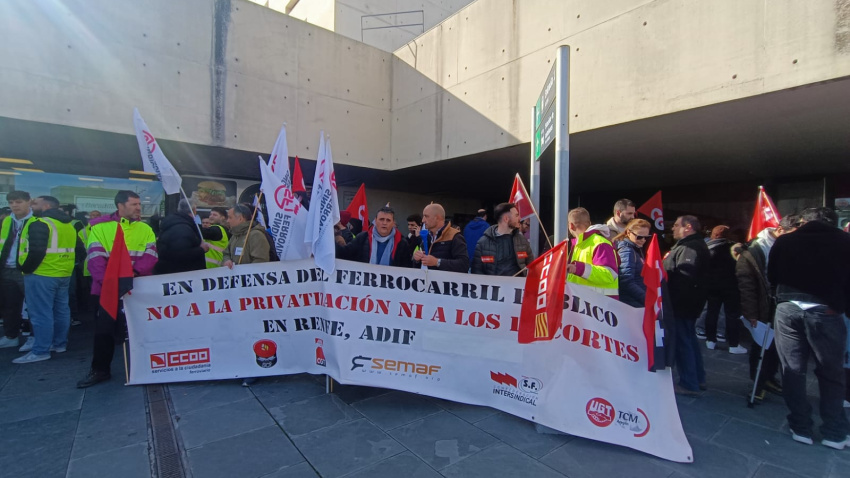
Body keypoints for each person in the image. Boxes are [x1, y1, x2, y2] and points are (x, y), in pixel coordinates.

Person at [768, 207, 850, 449]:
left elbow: (772, 275)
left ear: (804, 221)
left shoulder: (785, 241)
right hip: (827, 310)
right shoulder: (845, 242)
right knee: (831, 372)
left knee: (792, 369)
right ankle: (834, 432)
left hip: (788, 308)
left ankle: (800, 427)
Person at [77, 191, 157, 388]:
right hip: (107, 290)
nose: (139, 208)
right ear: (120, 205)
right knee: (104, 332)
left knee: (142, 330)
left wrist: (133, 274)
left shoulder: (145, 228)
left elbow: (151, 255)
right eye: (134, 204)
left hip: (137, 288)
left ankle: (149, 367)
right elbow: (95, 259)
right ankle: (100, 370)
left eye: (139, 204)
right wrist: (111, 283)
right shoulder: (100, 228)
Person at [734, 214, 799, 401]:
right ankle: (758, 382)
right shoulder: (756, 249)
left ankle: (770, 377)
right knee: (761, 345)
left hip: (784, 303)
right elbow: (746, 285)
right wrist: (751, 312)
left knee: (778, 346)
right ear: (780, 230)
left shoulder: (790, 245)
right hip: (764, 304)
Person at [13, 196, 84, 363]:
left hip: (41, 274)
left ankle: (41, 350)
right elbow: (81, 251)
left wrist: (25, 268)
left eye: (35, 203)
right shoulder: (68, 225)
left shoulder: (41, 223)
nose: (31, 205)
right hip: (63, 274)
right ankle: (59, 344)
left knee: (40, 313)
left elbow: (36, 251)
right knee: (61, 311)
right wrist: (67, 265)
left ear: (45, 206)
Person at [664, 215, 710, 396]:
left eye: (676, 225)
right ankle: (698, 378)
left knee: (683, 342)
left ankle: (689, 383)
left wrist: (672, 302)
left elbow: (685, 279)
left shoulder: (689, 248)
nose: (673, 228)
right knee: (689, 340)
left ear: (688, 227)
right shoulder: (691, 245)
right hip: (688, 304)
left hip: (682, 305)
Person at [704, 225, 746, 354]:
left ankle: (710, 340)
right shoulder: (734, 247)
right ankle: (734, 344)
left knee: (712, 312)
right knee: (732, 315)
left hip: (712, 285)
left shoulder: (707, 248)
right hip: (731, 286)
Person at [0, 191, 33, 350]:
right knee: (9, 305)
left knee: (33, 306)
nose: (14, 205)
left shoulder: (36, 220)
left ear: (28, 202)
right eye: (11, 202)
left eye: (18, 202)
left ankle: (34, 337)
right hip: (7, 268)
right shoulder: (7, 220)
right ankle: (11, 336)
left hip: (26, 270)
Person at [566, 207, 619, 297]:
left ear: (571, 225)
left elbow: (609, 274)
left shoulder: (599, 242)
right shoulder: (579, 244)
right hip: (587, 302)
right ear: (589, 223)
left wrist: (578, 268)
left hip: (600, 302)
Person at [335, 206, 412, 267]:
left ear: (393, 223)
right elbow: (345, 254)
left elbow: (407, 267)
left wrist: (417, 261)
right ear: (375, 220)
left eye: (388, 220)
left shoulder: (401, 242)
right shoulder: (363, 237)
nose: (384, 223)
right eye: (381, 219)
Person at [471, 202, 533, 276]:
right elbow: (476, 271)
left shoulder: (522, 240)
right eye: (516, 215)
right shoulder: (483, 243)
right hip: (493, 283)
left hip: (517, 283)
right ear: (506, 219)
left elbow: (532, 266)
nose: (519, 218)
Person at [154, 200, 208, 274]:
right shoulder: (182, 228)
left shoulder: (175, 224)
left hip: (171, 273)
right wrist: (201, 249)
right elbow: (180, 254)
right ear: (194, 210)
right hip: (182, 275)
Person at [413, 204, 469, 272]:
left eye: (426, 216)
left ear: (437, 218)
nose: (423, 220)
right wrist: (417, 260)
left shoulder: (454, 236)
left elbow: (464, 265)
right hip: (427, 278)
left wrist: (437, 262)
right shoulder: (427, 237)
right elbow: (419, 267)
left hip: (446, 278)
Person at [614, 218, 651, 308]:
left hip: (635, 301)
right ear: (628, 233)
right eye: (639, 237)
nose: (643, 240)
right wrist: (647, 299)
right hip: (631, 303)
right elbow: (626, 281)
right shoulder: (627, 251)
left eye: (646, 237)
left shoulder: (635, 249)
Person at [222, 203, 270, 268]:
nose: (227, 221)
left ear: (240, 218)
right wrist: (227, 260)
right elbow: (226, 253)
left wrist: (244, 272)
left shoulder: (256, 235)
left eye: (230, 217)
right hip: (234, 273)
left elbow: (260, 261)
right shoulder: (235, 235)